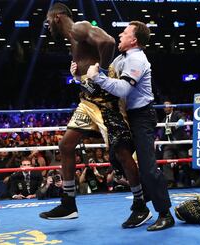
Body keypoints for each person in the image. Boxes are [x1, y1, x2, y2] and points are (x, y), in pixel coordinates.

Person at [40, 3, 148, 227]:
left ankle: (140, 205)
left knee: (122, 153)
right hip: (87, 101)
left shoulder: (79, 27)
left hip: (106, 101)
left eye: (48, 20)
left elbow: (107, 42)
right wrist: (79, 76)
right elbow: (87, 64)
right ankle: (68, 203)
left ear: (58, 17)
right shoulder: (73, 38)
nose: (47, 26)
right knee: (66, 145)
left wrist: (99, 71)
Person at [82, 21, 174, 231]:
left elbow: (122, 89)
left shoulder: (137, 59)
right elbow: (103, 81)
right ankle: (141, 203)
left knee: (148, 168)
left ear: (134, 40)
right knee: (117, 155)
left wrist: (98, 77)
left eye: (124, 33)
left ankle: (165, 214)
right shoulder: (120, 58)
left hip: (142, 116)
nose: (120, 36)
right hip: (127, 115)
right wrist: (81, 76)